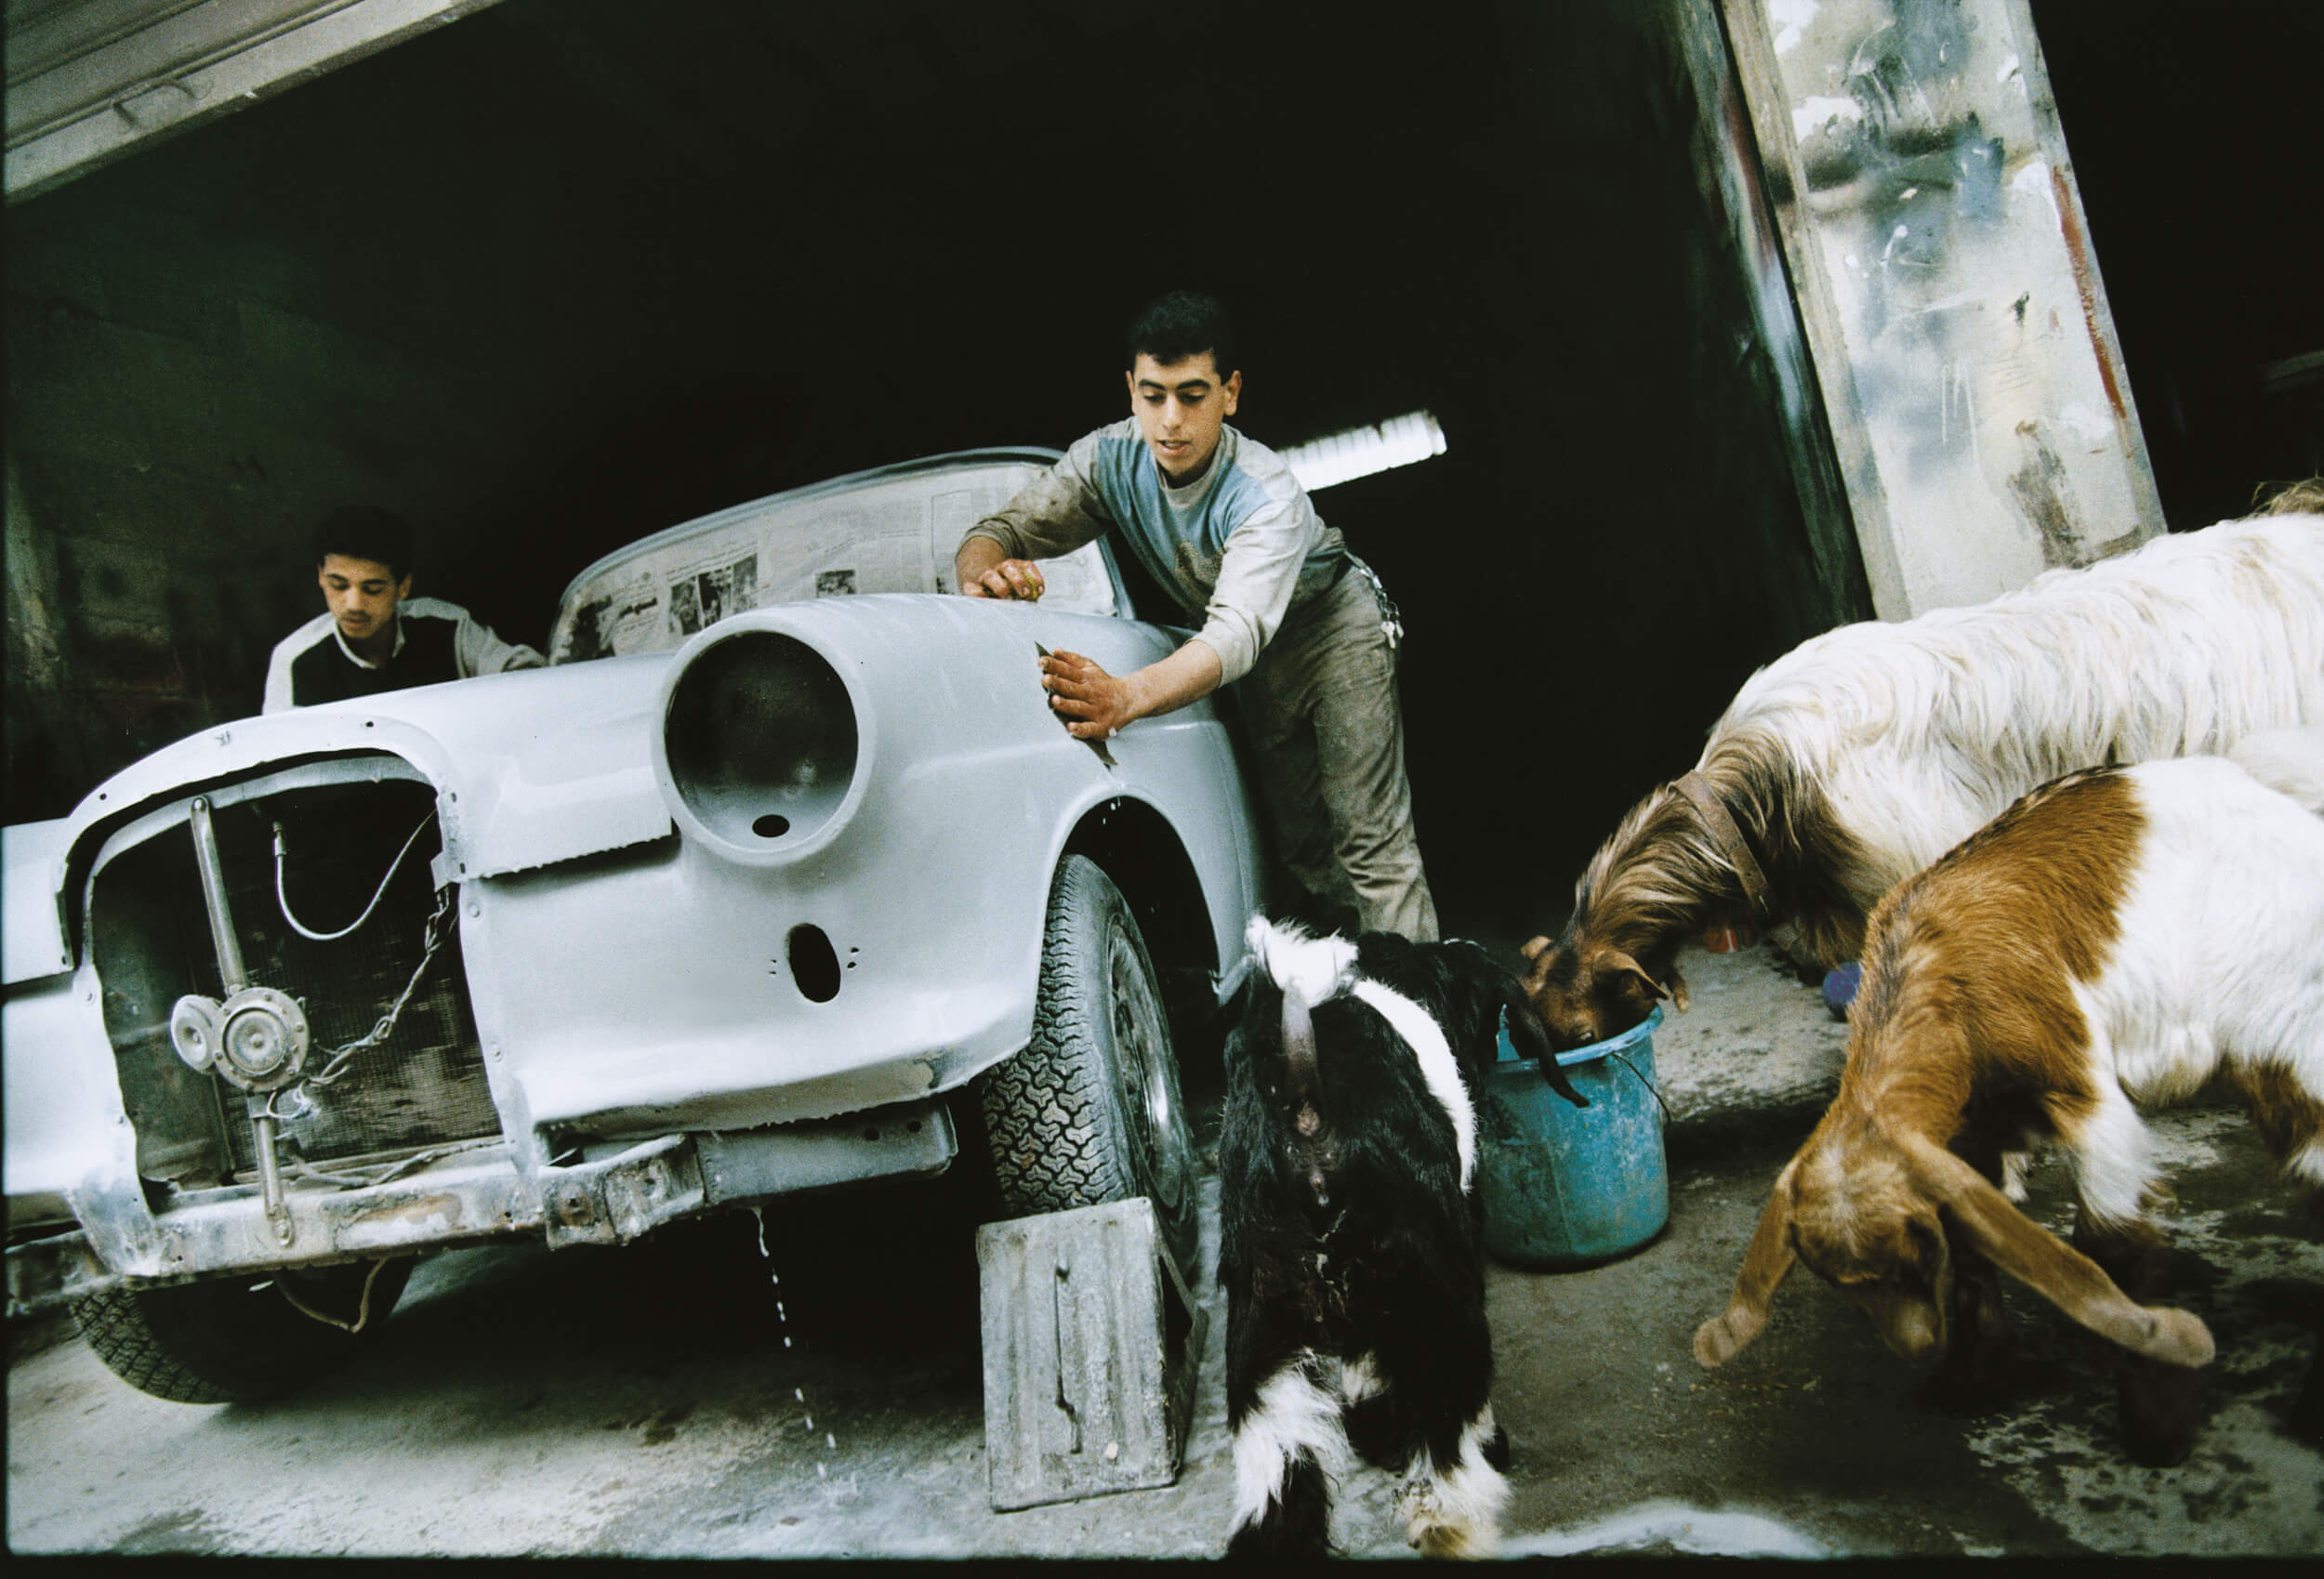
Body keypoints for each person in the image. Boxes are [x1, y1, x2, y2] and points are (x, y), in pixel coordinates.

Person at [955, 290, 1439, 941]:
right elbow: (998, 530)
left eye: (1193, 394)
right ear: (1130, 390)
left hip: (1333, 633)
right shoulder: (1107, 458)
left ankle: (1423, 1033)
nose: (1171, 420)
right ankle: (1358, 1021)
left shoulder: (1265, 492)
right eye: (1153, 395)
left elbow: (1234, 635)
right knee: (1306, 854)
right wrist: (981, 573)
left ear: (1230, 392)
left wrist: (1125, 695)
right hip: (1258, 663)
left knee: (1371, 846)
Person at [263, 505, 545, 713]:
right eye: (338, 585)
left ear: (403, 587)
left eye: (373, 589)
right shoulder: (295, 659)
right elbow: (279, 753)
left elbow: (528, 678)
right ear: (320, 577)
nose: (354, 604)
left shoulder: (448, 626)